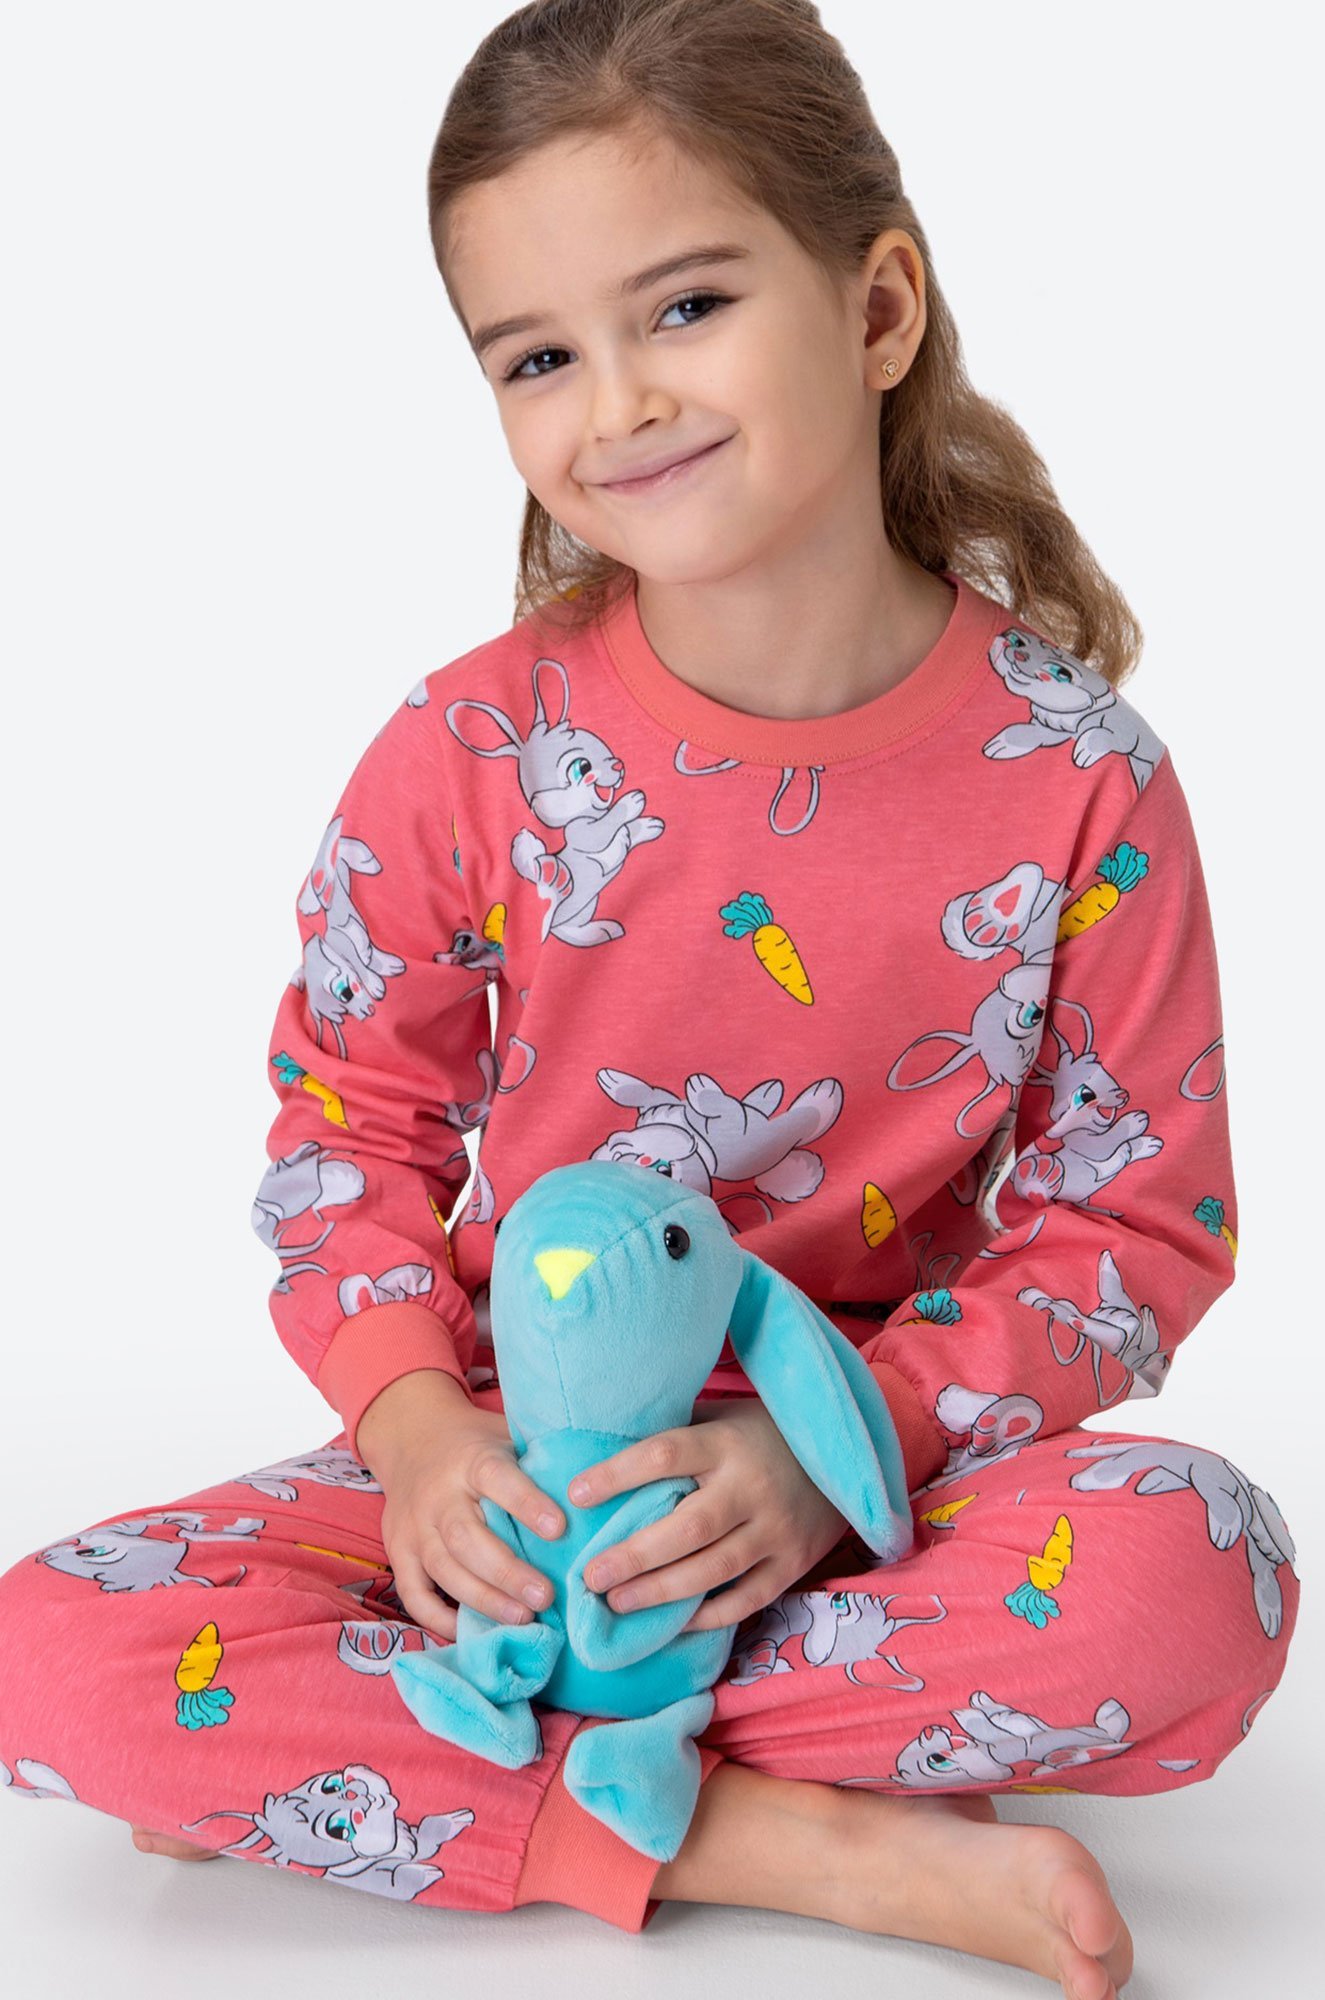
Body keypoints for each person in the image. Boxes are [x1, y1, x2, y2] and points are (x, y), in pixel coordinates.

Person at [0, 3, 1298, 1994]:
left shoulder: (1078, 777)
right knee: (46, 1651)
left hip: (879, 1492)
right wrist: (419, 1441)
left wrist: (830, 1454)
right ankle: (781, 1837)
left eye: (684, 307)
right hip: (513, 1484)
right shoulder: (471, 747)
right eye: (536, 357)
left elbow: (1132, 1221)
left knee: (1203, 1573)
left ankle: (402, 1764)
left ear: (876, 308)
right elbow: (348, 1133)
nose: (615, 405)